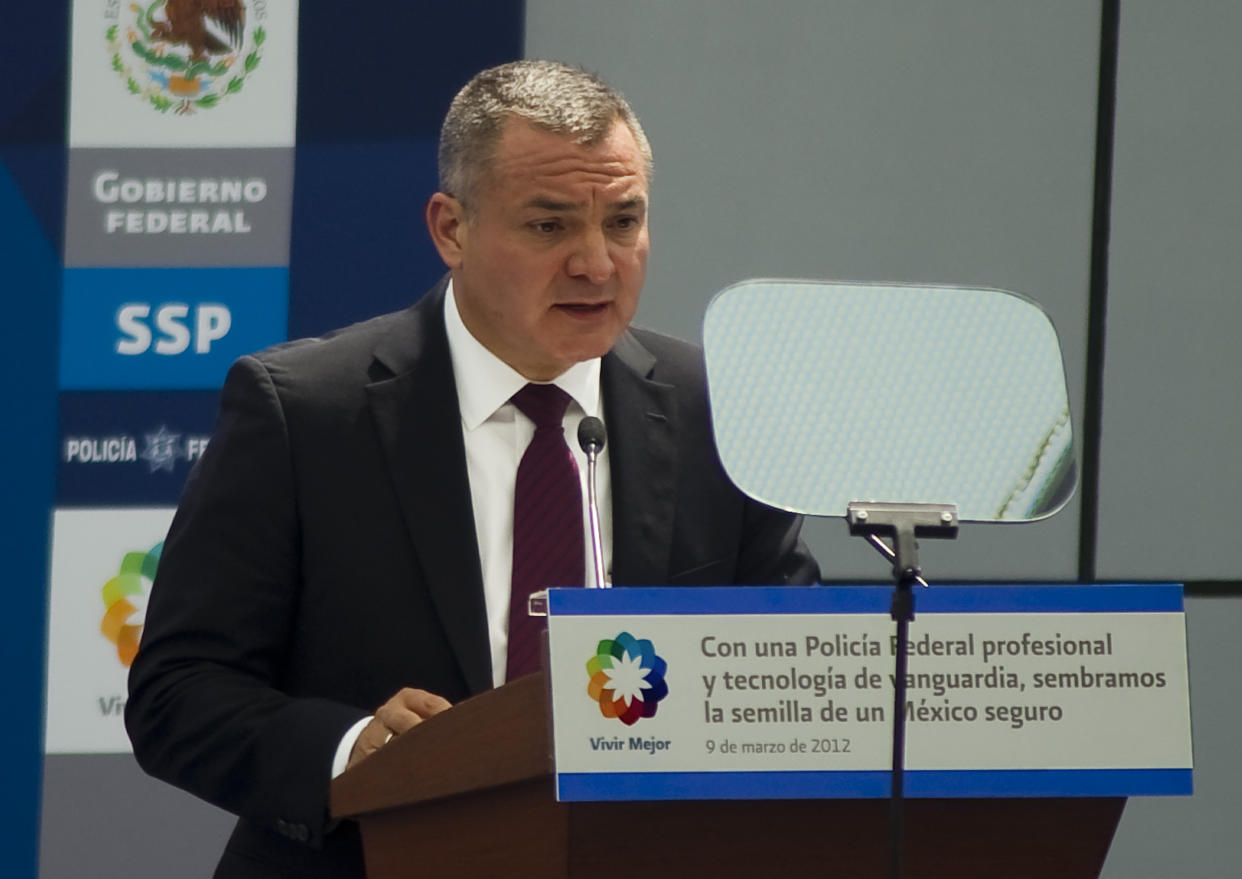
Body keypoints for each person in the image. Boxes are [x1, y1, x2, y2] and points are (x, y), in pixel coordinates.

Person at [126, 60, 819, 878]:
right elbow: (179, 691)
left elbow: (788, 671)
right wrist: (354, 750)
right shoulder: (304, 414)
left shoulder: (721, 412)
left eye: (624, 221)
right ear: (450, 228)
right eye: (549, 226)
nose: (597, 263)